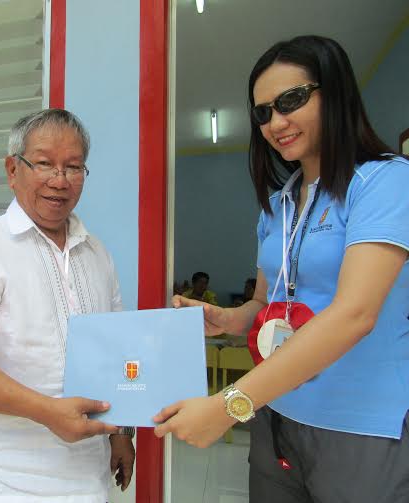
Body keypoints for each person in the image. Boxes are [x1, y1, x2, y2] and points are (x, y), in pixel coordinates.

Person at [155, 35, 409, 503]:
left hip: (358, 423)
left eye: (291, 100)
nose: (276, 122)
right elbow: (268, 301)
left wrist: (229, 405)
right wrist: (233, 320)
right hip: (276, 412)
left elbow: (355, 314)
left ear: (335, 93)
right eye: (263, 112)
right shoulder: (279, 205)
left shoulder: (386, 180)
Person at [0, 108, 135, 502]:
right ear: (13, 170)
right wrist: (47, 411)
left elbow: (116, 348)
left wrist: (122, 434)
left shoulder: (97, 253)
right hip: (12, 478)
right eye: (44, 164)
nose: (60, 181)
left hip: (90, 471)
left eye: (74, 167)